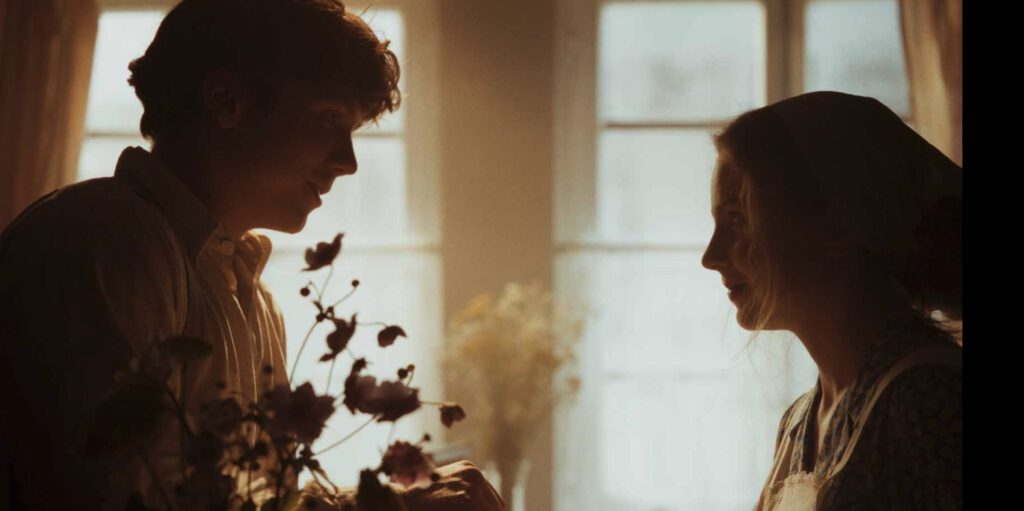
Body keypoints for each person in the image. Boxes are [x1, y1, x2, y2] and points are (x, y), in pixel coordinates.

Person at [0, 1, 501, 509]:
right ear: (226, 102)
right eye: (329, 118)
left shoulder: (249, 293)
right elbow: (131, 500)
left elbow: (259, 499)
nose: (348, 162)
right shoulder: (104, 241)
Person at [701, 91, 962, 510]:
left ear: (837, 228)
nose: (711, 257)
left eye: (739, 219)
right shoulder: (800, 420)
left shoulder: (929, 402)